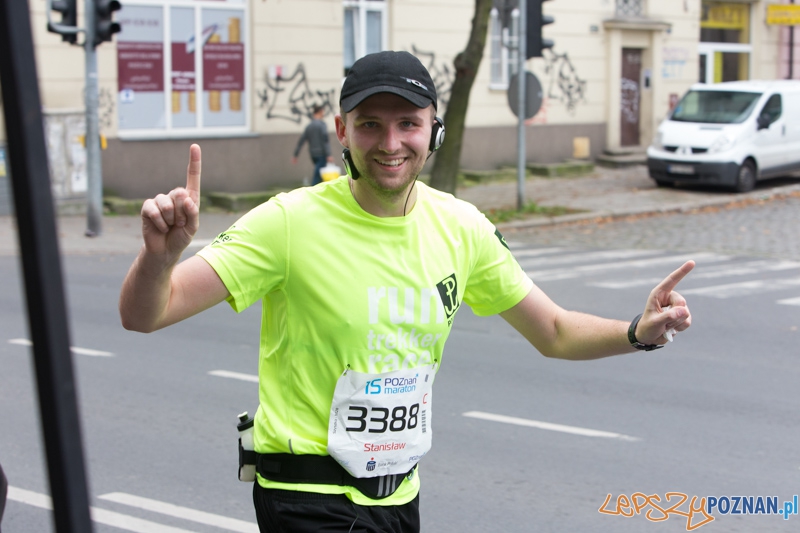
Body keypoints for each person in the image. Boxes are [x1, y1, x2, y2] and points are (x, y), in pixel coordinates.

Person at [119, 50, 694, 532]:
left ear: (433, 130)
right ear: (342, 131)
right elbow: (146, 314)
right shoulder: (288, 222)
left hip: (399, 497)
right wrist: (159, 258)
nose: (390, 142)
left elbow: (556, 331)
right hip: (305, 496)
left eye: (408, 124)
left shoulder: (461, 227)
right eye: (370, 123)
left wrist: (637, 332)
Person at [292, 104, 333, 185]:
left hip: (313, 155)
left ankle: (319, 190)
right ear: (320, 112)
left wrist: (295, 155)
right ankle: (313, 188)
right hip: (322, 154)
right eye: (322, 113)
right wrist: (329, 154)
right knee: (318, 176)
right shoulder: (322, 125)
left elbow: (301, 141)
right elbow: (325, 140)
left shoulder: (309, 126)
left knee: (321, 175)